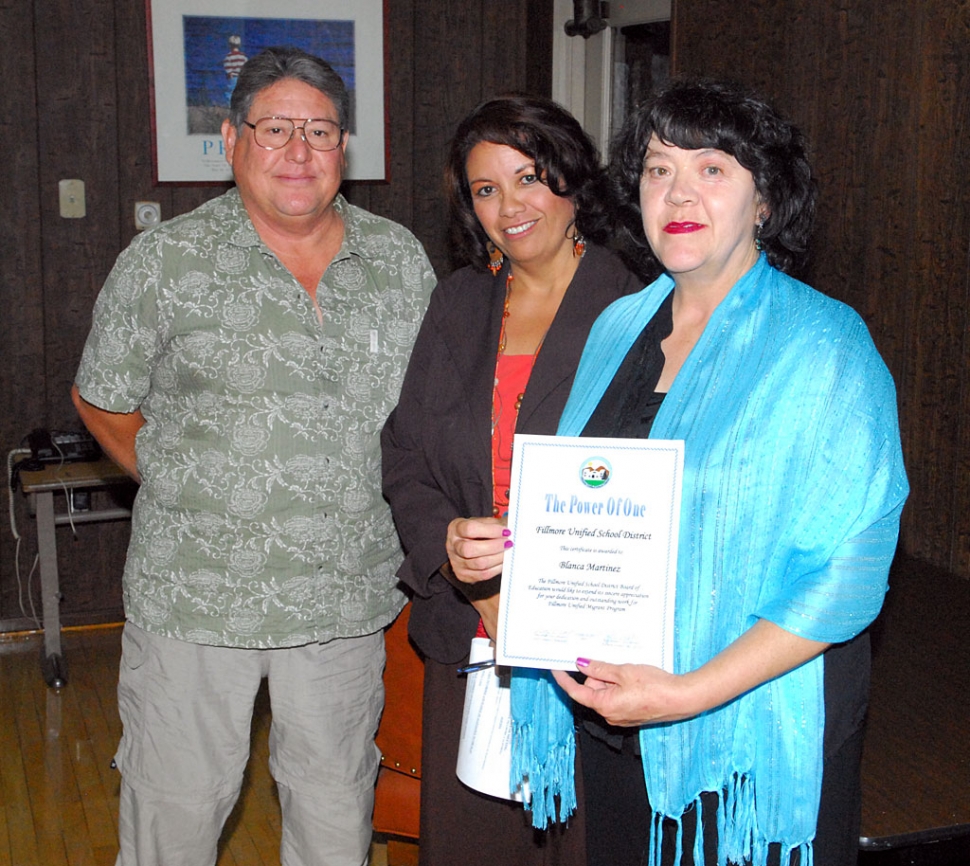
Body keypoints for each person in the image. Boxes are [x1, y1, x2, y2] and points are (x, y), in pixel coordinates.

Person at [452, 80, 909, 866]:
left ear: (764, 200)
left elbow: (852, 575)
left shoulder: (824, 345)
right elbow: (589, 502)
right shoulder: (619, 325)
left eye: (713, 169)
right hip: (616, 705)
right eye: (659, 169)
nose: (679, 193)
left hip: (743, 724)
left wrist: (686, 694)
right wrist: (502, 547)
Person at [71, 46, 436, 866]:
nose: (299, 152)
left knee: (337, 815)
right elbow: (101, 396)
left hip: (344, 603)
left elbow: (427, 415)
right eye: (276, 130)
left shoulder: (400, 263)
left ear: (346, 148)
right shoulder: (164, 264)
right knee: (177, 819)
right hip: (196, 603)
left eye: (320, 131)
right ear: (231, 140)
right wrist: (183, 482)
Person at [381, 95, 643, 866]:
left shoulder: (639, 307)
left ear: (571, 179)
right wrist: (449, 548)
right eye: (486, 190)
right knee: (475, 845)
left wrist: (540, 607)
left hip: (592, 645)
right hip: (470, 628)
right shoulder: (460, 301)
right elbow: (404, 453)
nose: (510, 206)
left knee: (582, 845)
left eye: (528, 177)